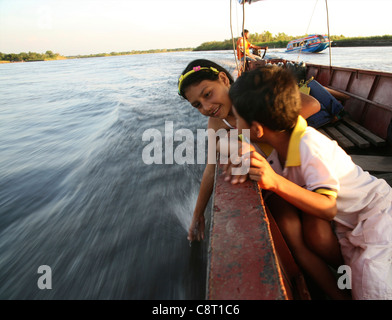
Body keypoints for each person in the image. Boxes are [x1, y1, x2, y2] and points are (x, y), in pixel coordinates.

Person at [226, 66, 392, 300]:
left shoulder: (309, 145)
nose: (234, 126)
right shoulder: (275, 145)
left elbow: (328, 207)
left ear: (256, 129)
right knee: (357, 281)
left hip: (374, 212)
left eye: (236, 118)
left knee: (374, 290)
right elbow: (235, 145)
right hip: (349, 224)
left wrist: (274, 182)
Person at [178, 59, 321, 243]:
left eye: (208, 94)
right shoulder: (217, 123)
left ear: (223, 79)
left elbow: (313, 105)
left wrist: (257, 129)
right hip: (274, 177)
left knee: (318, 235)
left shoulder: (255, 92)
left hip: (303, 167)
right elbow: (211, 167)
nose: (206, 107)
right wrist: (198, 214)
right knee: (287, 227)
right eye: (197, 105)